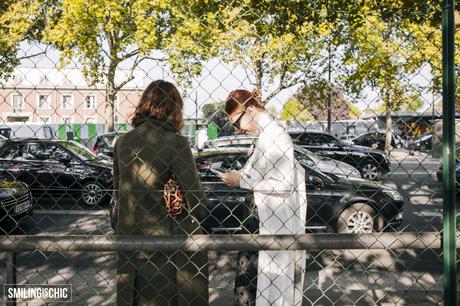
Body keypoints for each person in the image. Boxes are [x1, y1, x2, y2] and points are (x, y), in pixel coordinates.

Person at [113, 80, 209, 306]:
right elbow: (195, 199)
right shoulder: (176, 142)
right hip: (168, 242)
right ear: (174, 108)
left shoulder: (123, 142)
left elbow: (118, 191)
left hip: (129, 236)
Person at [219, 89, 307, 306]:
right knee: (251, 288)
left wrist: (241, 181)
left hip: (270, 223)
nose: (238, 130)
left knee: (259, 288)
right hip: (263, 222)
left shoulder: (274, 136)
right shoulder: (267, 135)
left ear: (250, 110)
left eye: (237, 122)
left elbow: (284, 183)